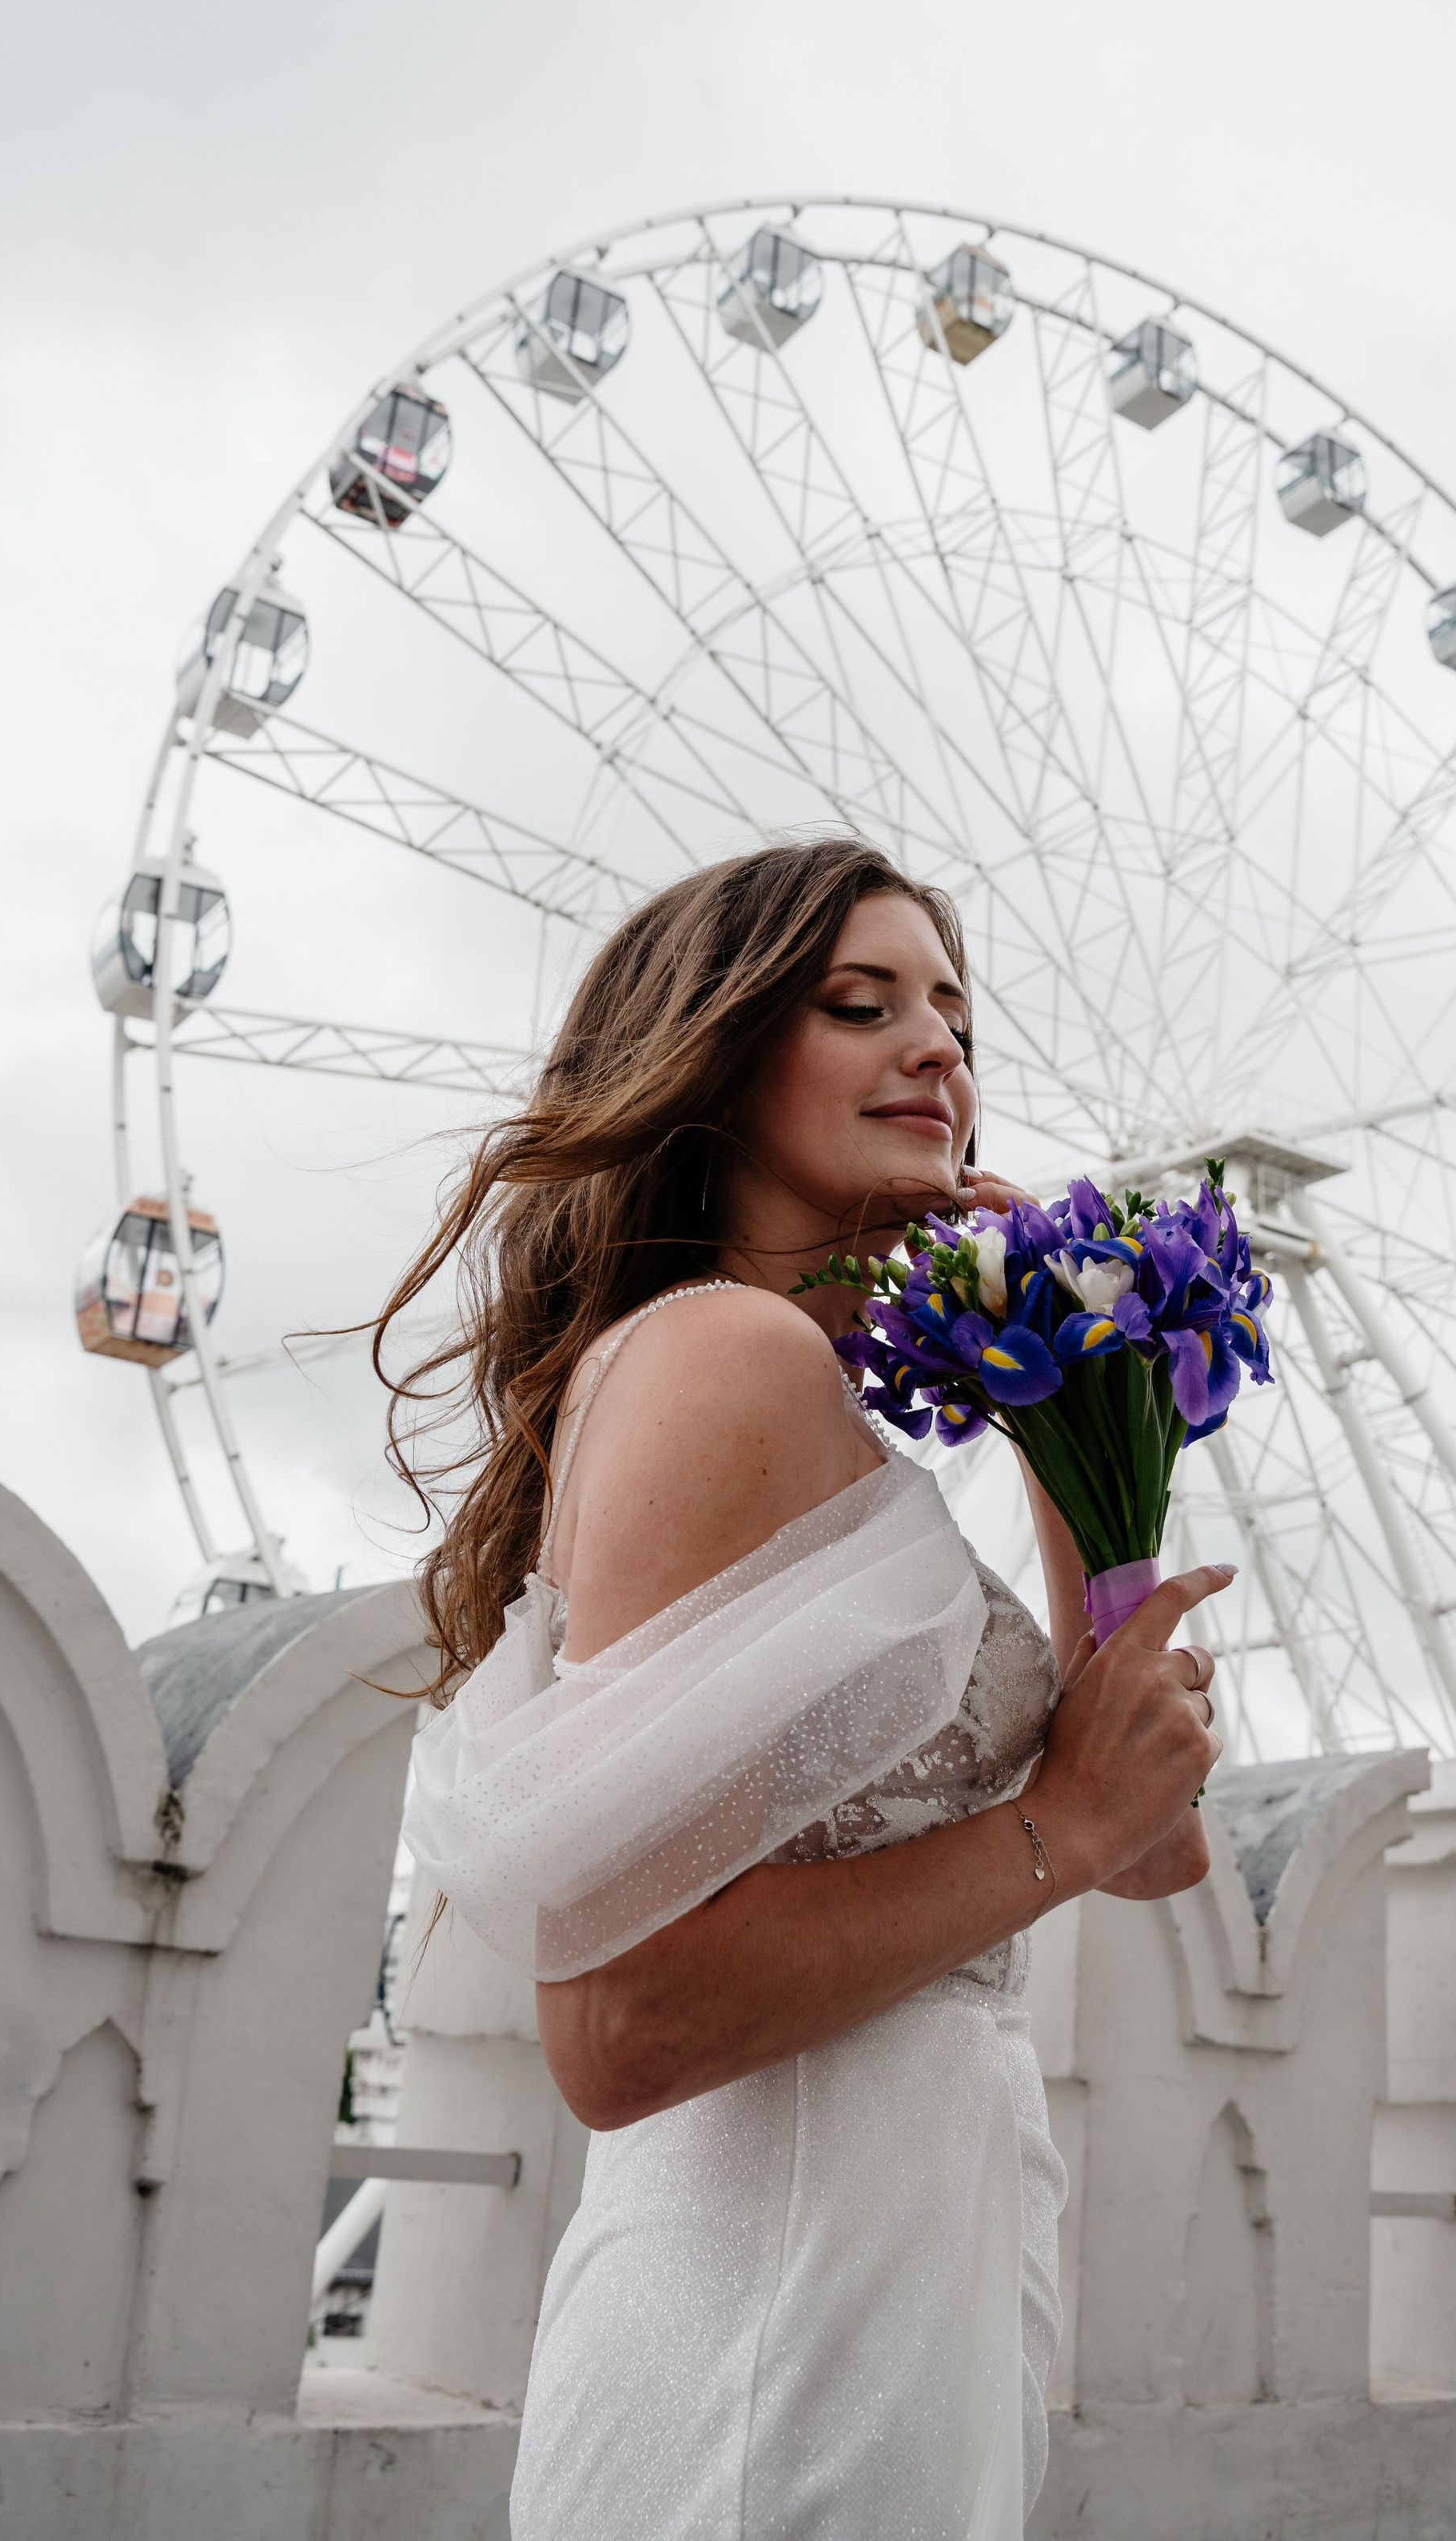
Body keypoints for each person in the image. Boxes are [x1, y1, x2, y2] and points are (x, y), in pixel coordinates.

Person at [388, 838, 1228, 2540]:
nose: (939, 1049)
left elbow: (1157, 1847)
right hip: (773, 2308)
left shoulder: (799, 1408)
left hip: (904, 2263)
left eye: (957, 1016)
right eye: (861, 1003)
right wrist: (1053, 1827)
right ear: (711, 1052)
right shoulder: (725, 1351)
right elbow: (620, 2025)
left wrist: (1079, 1410)